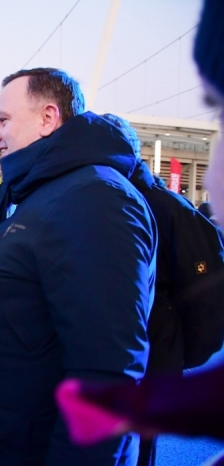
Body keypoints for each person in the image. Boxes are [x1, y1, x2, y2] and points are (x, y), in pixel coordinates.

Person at [0, 68, 156, 465]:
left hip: (26, 448)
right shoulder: (42, 192)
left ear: (48, 118)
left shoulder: (96, 201)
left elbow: (106, 374)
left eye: (5, 119)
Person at [55, 0, 224, 450]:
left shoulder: (152, 205)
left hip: (153, 337)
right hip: (151, 338)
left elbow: (199, 274)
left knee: (134, 431)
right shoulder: (148, 200)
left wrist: (188, 348)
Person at [103, 113, 224, 466]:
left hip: (154, 356)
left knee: (137, 446)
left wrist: (183, 354)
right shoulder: (109, 199)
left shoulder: (167, 208)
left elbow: (208, 293)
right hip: (137, 353)